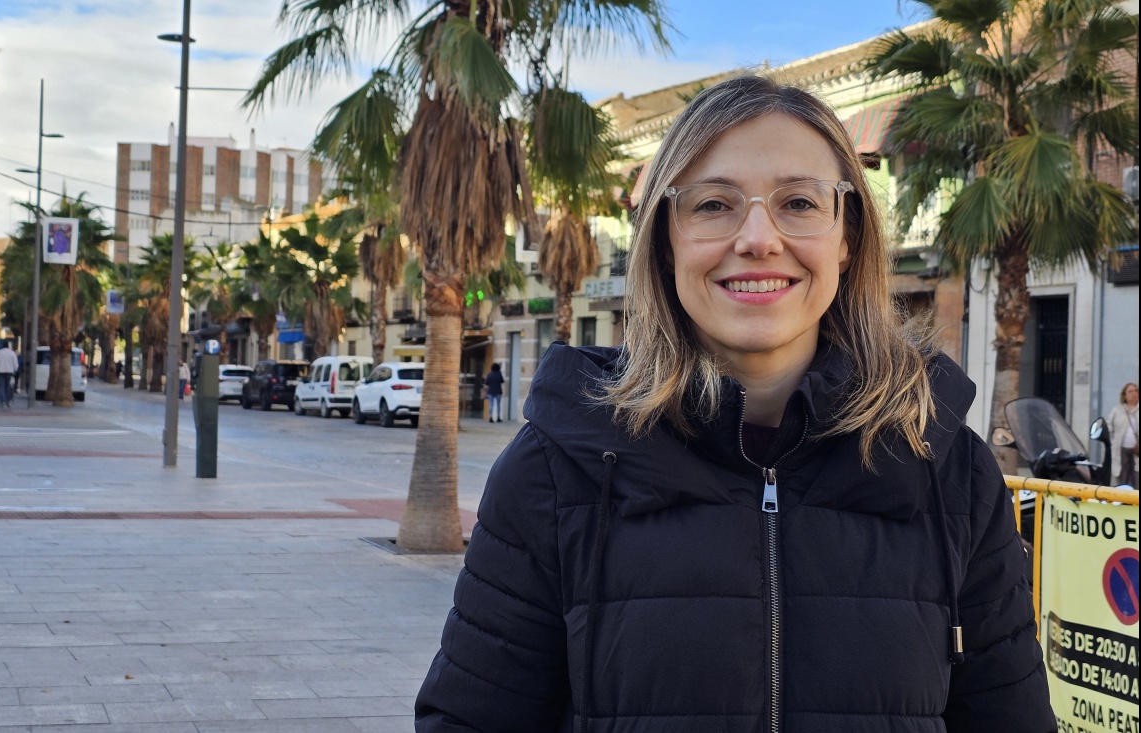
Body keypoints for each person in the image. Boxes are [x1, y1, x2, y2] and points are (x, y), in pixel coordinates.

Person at [414, 76, 1053, 732]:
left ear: (847, 237)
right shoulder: (556, 467)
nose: (757, 237)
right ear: (667, 240)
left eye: (799, 202)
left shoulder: (947, 467)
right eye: (714, 204)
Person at [1108, 382, 1138, 487]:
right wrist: (1113, 442)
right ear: (1124, 395)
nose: (1133, 394)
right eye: (1130, 391)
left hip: (1137, 452)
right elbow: (1109, 427)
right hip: (1121, 450)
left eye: (1136, 391)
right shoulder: (1117, 410)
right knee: (1122, 477)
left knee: (1137, 478)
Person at [0, 340, 19, 408]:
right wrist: (15, 370)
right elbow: (16, 365)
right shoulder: (12, 353)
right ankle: (7, 400)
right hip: (9, 372)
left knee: (1, 387)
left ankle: (2, 401)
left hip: (0, 371)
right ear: (8, 346)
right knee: (7, 387)